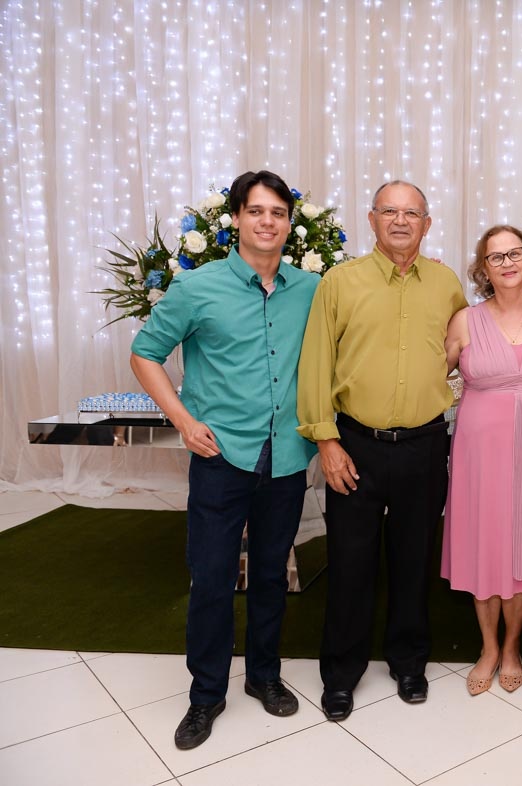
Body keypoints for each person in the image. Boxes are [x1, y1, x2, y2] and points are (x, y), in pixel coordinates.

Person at [130, 170, 318, 750]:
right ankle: (206, 695)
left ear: (290, 224)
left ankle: (264, 675)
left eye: (278, 213)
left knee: (270, 576)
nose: (267, 222)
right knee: (212, 579)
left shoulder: (311, 289)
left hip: (286, 456)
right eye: (256, 211)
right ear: (235, 218)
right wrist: (184, 421)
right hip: (220, 456)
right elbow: (145, 353)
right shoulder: (197, 287)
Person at [297, 180, 466, 721]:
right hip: (356, 445)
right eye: (388, 211)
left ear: (427, 224)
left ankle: (409, 663)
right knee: (351, 562)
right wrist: (326, 440)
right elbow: (316, 363)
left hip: (424, 444)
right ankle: (341, 674)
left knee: (414, 560)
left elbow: (467, 347)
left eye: (411, 213)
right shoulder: (339, 282)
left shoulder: (445, 283)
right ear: (371, 220)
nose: (400, 220)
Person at [441, 225, 522, 695]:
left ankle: (513, 646)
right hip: (478, 451)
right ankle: (488, 648)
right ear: (483, 269)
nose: (508, 263)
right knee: (485, 543)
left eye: (515, 253)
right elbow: (431, 377)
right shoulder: (464, 321)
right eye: (496, 257)